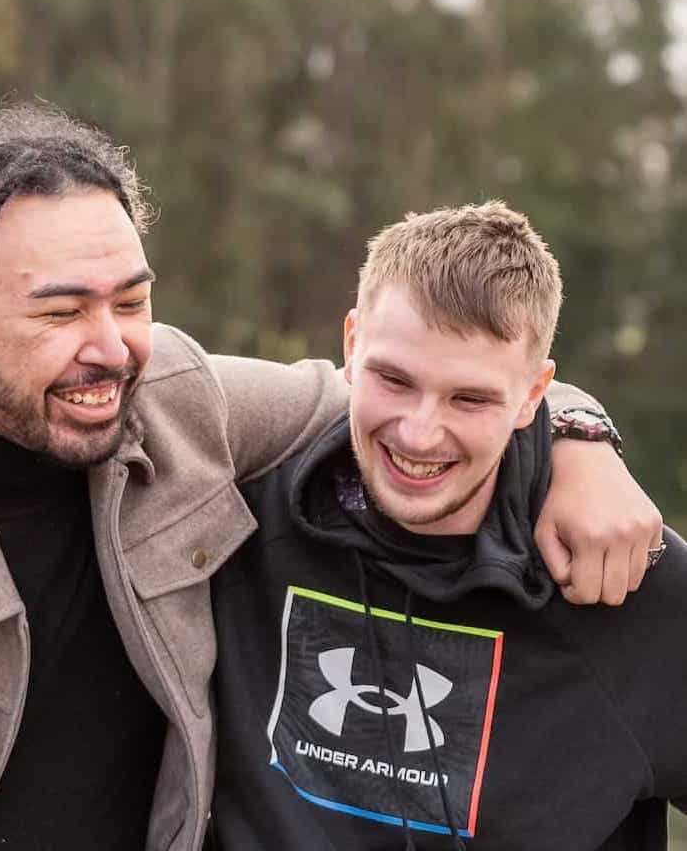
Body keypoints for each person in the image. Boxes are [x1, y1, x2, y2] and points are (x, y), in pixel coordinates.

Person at [0, 107, 661, 851]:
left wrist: (575, 434)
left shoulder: (173, 400)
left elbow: (409, 397)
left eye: (130, 298)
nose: (107, 347)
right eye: (59, 310)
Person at [209, 202, 685, 850]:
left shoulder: (622, 573)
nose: (418, 433)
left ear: (532, 393)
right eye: (393, 379)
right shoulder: (231, 512)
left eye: (469, 398)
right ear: (351, 344)